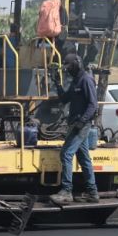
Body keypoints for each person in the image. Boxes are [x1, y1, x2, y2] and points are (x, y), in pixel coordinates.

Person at [50, 53, 99, 204]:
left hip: (81, 125)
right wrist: (58, 84)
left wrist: (82, 122)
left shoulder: (86, 80)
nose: (68, 70)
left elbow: (93, 104)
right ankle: (92, 193)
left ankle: (66, 191)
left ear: (77, 64)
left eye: (69, 66)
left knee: (66, 154)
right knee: (84, 158)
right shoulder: (76, 81)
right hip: (75, 124)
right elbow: (65, 99)